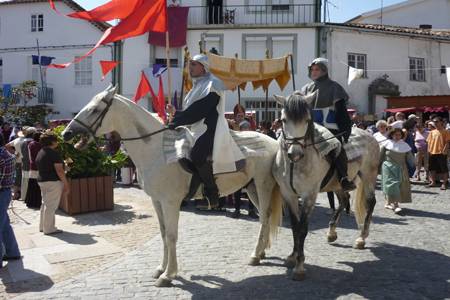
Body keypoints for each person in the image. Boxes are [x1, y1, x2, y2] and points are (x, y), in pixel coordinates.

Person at [166, 54, 244, 210]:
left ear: (204, 66)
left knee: (197, 155)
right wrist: (177, 113)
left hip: (210, 128)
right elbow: (191, 111)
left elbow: (199, 111)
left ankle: (212, 194)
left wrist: (175, 122)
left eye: (194, 64)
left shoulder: (213, 84)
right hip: (195, 128)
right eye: (190, 64)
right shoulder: (196, 86)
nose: (190, 67)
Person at [299, 57, 356, 192]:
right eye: (312, 69)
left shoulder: (335, 87)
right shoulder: (305, 89)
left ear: (324, 71)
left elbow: (342, 112)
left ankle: (344, 178)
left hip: (330, 127)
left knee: (338, 149)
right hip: (310, 127)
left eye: (317, 69)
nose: (314, 72)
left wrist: (344, 130)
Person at [36, 131, 69, 235]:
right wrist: (66, 184)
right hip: (52, 181)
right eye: (56, 140)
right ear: (52, 141)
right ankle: (49, 228)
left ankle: (43, 226)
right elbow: (60, 171)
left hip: (42, 180)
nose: (58, 141)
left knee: (44, 204)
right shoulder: (54, 153)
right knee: (51, 206)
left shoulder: (41, 151)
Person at [380, 128, 418, 213]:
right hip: (388, 167)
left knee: (400, 185)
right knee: (392, 185)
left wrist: (415, 163)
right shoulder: (386, 144)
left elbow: (410, 156)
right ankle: (396, 205)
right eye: (395, 134)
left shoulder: (404, 145)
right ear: (391, 135)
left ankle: (387, 203)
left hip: (401, 167)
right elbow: (379, 156)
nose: (397, 136)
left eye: (399, 134)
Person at [0, 132, 22, 267]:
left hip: (2, 192)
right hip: (4, 192)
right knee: (4, 225)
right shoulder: (4, 152)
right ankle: (12, 252)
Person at [231, 121, 258, 219]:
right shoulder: (236, 139)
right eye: (243, 127)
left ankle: (251, 209)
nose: (245, 129)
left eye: (247, 127)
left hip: (251, 166)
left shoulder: (253, 138)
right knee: (237, 188)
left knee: (252, 188)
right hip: (239, 165)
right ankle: (237, 209)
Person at [426, 116, 450, 190]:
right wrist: (429, 150)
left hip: (441, 153)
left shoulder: (445, 131)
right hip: (432, 152)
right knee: (432, 168)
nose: (434, 123)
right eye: (434, 121)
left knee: (444, 169)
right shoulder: (432, 132)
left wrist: (444, 151)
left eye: (436, 121)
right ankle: (433, 182)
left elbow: (447, 142)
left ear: (441, 122)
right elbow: (429, 142)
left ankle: (444, 183)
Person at [5, 127, 27, 200]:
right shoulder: (28, 141)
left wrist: (13, 153)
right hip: (26, 162)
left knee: (16, 178)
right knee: (25, 178)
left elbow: (7, 145)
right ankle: (24, 194)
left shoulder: (17, 140)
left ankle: (15, 194)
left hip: (18, 160)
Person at [25, 132, 43, 209]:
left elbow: (29, 155)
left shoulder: (31, 144)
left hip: (32, 165)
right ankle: (38, 202)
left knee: (32, 184)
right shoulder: (42, 145)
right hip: (41, 166)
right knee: (39, 185)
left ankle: (30, 202)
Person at [20, 127, 36, 202]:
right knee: (30, 183)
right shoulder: (32, 143)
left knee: (24, 182)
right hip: (31, 165)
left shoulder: (22, 141)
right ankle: (29, 198)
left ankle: (24, 197)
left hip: (24, 163)